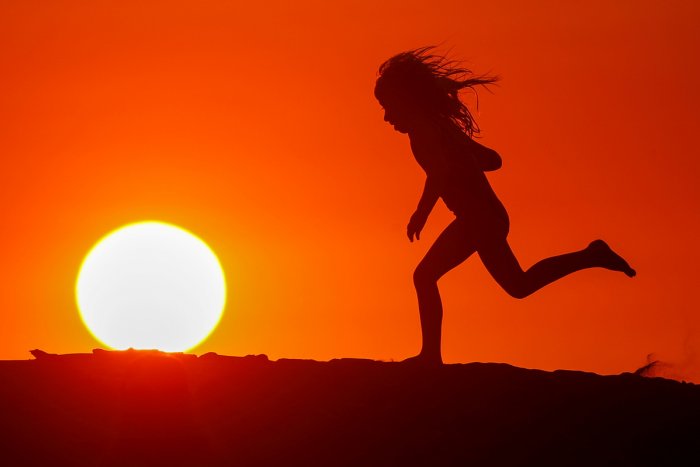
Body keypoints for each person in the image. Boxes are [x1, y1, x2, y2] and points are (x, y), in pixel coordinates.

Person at [374, 47, 636, 365]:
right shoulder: (443, 129)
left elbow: (439, 173)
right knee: (518, 285)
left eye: (390, 107)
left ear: (407, 100)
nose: (387, 117)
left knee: (425, 277)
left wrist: (421, 213)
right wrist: (468, 158)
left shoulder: (425, 132)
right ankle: (591, 255)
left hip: (478, 219)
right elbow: (493, 160)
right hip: (485, 217)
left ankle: (431, 355)